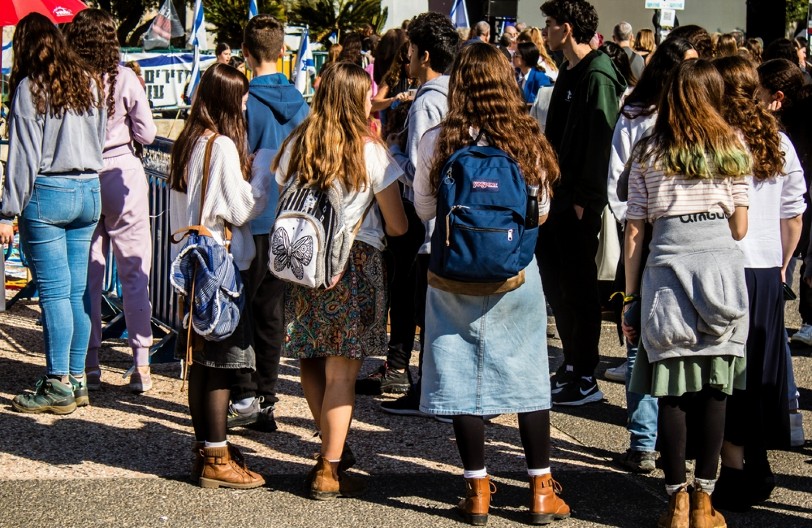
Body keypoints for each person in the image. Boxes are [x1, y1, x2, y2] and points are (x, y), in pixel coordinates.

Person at [415, 42, 570, 526]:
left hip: (452, 273)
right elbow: (541, 211)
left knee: (462, 378)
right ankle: (541, 491)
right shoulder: (526, 138)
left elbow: (424, 209)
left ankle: (477, 491)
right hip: (514, 275)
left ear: (458, 84)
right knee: (527, 378)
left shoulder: (438, 138)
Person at [623, 59, 751, 528]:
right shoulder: (732, 146)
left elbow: (635, 229)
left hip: (666, 274)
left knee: (670, 389)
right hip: (721, 275)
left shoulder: (648, 149)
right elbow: (739, 228)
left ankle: (676, 501)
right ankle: (705, 502)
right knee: (717, 389)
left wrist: (630, 296)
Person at [272, 62, 407, 499]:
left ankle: (334, 446)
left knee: (311, 358)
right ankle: (328, 468)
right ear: (354, 97)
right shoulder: (370, 151)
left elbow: (281, 195)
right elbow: (398, 223)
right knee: (343, 373)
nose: (372, 98)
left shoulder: (298, 142)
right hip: (353, 266)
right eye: (366, 92)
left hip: (304, 263)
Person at [711, 55, 805, 512]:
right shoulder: (780, 142)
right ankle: (760, 460)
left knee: (730, 371)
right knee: (762, 372)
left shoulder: (723, 142)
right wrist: (784, 265)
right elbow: (795, 213)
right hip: (768, 270)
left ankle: (732, 469)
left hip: (729, 264)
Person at [169, 63, 269, 489]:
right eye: (242, 99)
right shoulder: (223, 145)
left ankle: (207, 448)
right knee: (222, 363)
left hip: (193, 263)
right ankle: (216, 455)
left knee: (201, 361)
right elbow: (243, 209)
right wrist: (262, 175)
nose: (246, 107)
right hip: (222, 266)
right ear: (231, 100)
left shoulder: (188, 141)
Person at [1, 13, 106, 414]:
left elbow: (23, 159)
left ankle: (58, 381)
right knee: (77, 291)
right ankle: (77, 378)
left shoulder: (31, 89)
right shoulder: (89, 84)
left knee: (54, 294)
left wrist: (7, 211)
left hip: (48, 193)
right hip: (88, 189)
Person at [605, 37, 698, 474]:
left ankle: (673, 439)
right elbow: (616, 183)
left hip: (688, 239)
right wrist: (635, 221)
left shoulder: (701, 115)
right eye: (688, 65)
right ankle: (644, 441)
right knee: (639, 337)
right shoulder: (637, 112)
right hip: (644, 235)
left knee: (682, 340)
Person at [224, 14, 310, 433]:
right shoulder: (303, 103)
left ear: (245, 53)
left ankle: (244, 396)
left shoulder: (244, 101)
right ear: (282, 52)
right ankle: (268, 397)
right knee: (272, 311)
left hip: (253, 215)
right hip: (292, 218)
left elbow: (238, 159)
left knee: (241, 304)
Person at [65, 8, 158, 393]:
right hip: (123, 174)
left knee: (88, 274)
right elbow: (149, 133)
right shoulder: (125, 78)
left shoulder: (68, 79)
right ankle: (141, 365)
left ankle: (89, 364)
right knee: (135, 272)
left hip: (82, 175)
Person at [538, 0, 625, 406]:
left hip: (577, 203)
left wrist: (584, 200)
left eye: (550, 24)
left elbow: (601, 140)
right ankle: (571, 364)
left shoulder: (599, 74)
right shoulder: (570, 71)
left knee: (579, 289)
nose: (545, 31)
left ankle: (584, 374)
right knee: (559, 288)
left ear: (567, 29)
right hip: (558, 198)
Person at [378, 12, 460, 414]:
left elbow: (417, 173)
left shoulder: (427, 101)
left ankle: (427, 388)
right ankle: (431, 385)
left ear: (423, 55)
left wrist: (390, 151)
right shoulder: (456, 94)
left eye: (410, 50)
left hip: (427, 222)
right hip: (448, 219)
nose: (406, 57)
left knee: (424, 307)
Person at [756, 58, 811, 449]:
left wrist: (786, 262)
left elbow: (795, 212)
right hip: (772, 256)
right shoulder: (781, 139)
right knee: (772, 342)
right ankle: (787, 418)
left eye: (757, 95)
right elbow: (794, 212)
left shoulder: (783, 138)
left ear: (776, 99)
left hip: (763, 255)